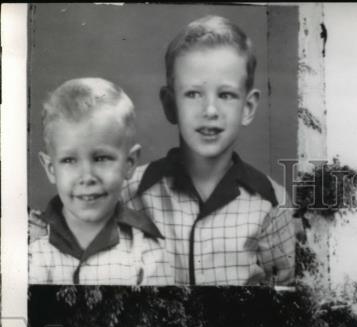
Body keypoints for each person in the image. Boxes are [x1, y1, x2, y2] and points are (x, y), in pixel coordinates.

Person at [123, 15, 296, 286]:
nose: (210, 111)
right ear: (170, 105)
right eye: (193, 94)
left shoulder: (272, 203)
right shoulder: (130, 192)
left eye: (226, 95)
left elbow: (285, 303)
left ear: (248, 108)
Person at [28, 78, 171, 286]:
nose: (86, 177)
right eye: (69, 160)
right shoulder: (28, 247)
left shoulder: (148, 253)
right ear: (51, 169)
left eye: (101, 158)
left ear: (129, 163)